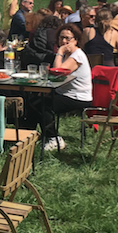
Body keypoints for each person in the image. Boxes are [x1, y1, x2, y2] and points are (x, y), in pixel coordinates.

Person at [43, 23, 93, 151]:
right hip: (63, 93)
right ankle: (33, 135)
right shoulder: (67, 55)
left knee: (43, 105)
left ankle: (54, 139)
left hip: (77, 97)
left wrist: (59, 51)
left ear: (75, 40)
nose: (64, 41)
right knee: (32, 99)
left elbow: (58, 71)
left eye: (68, 38)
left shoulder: (77, 55)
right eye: (61, 37)